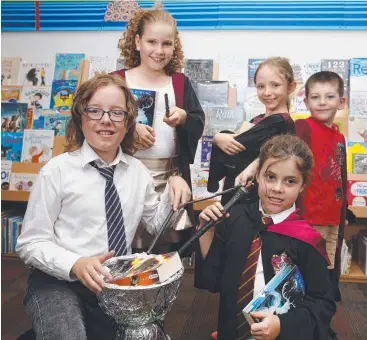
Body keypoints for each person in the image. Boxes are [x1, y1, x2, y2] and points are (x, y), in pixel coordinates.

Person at [16, 74, 191, 340]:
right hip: (57, 279)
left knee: (149, 335)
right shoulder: (57, 171)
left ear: (128, 121)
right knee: (67, 334)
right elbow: (30, 243)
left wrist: (173, 186)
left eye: (117, 113)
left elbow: (156, 225)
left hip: (116, 282)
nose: (106, 119)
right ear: (81, 117)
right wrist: (75, 263)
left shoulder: (138, 172)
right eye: (95, 111)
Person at [195, 135, 335, 340]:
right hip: (231, 330)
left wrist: (282, 325)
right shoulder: (235, 217)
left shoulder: (307, 240)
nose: (277, 188)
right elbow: (214, 280)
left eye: (290, 181)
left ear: (303, 185)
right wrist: (206, 230)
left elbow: (323, 303)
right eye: (270, 177)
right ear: (258, 175)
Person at [111, 8, 205, 253]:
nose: (159, 50)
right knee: (124, 243)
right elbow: (96, 124)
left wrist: (184, 117)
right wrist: (128, 132)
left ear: (175, 47)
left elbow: (198, 122)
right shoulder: (118, 81)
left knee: (163, 250)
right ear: (137, 42)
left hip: (168, 178)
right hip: (124, 177)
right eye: (151, 42)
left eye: (167, 44)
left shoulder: (179, 82)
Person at [210, 57, 296, 204]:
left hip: (252, 199)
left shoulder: (280, 121)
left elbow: (237, 145)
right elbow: (238, 142)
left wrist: (219, 137)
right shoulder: (258, 119)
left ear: (290, 87)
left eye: (275, 85)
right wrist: (219, 138)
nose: (267, 92)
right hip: (237, 191)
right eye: (261, 86)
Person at [295, 71, 347, 305]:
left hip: (333, 216)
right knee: (307, 271)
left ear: (341, 102)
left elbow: (339, 177)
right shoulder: (302, 128)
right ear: (306, 102)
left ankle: (320, 317)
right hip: (309, 216)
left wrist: (343, 210)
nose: (323, 102)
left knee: (327, 271)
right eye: (316, 97)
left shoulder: (339, 137)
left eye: (329, 96)